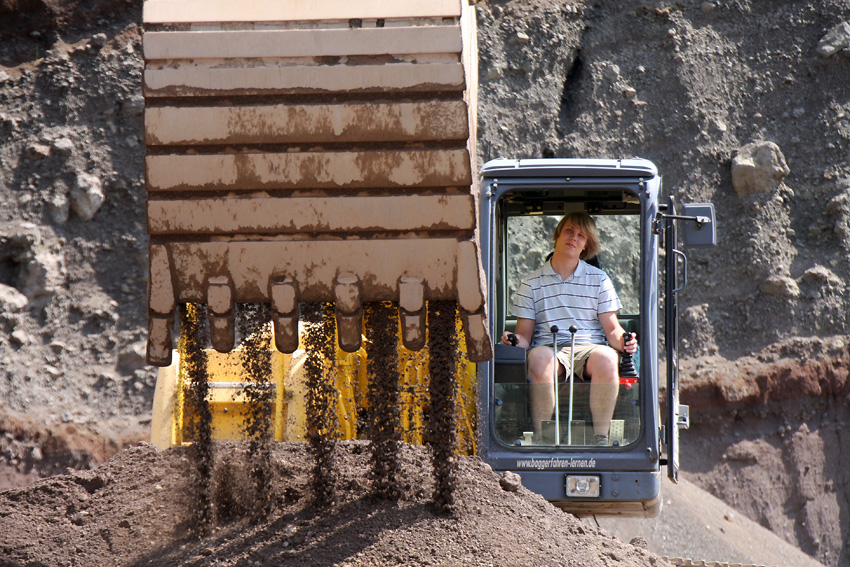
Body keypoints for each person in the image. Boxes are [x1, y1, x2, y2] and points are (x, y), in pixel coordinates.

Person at [499, 211, 637, 446]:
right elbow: (524, 336)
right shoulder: (531, 283)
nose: (574, 238)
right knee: (540, 359)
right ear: (558, 235)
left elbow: (612, 330)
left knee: (606, 357)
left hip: (589, 347)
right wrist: (512, 340)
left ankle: (601, 438)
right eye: (569, 231)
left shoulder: (599, 280)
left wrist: (625, 341)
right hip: (548, 347)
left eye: (581, 235)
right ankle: (544, 439)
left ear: (586, 245)